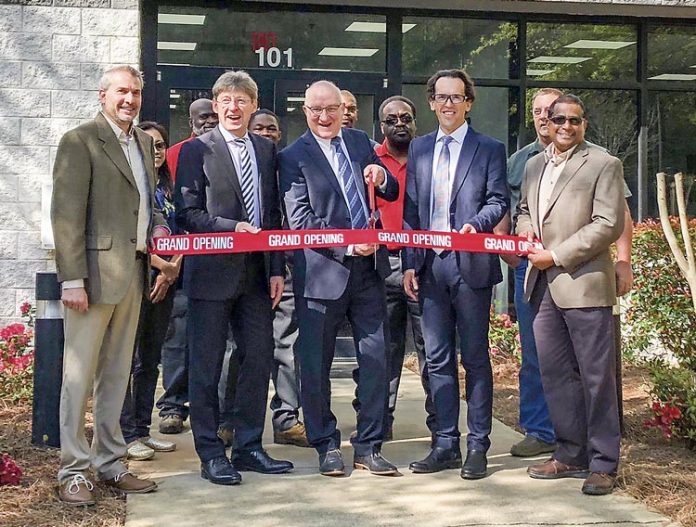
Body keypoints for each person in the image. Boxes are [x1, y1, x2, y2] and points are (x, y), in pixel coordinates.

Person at [52, 65, 167, 506]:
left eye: (135, 93)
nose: (130, 100)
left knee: (116, 376)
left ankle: (110, 462)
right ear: (103, 95)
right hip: (91, 280)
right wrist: (72, 280)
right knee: (78, 377)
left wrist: (157, 232)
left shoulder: (141, 142)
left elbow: (145, 206)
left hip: (133, 277)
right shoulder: (80, 141)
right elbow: (65, 217)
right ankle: (73, 470)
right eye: (122, 91)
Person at [500, 88, 635, 458]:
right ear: (544, 121)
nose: (564, 126)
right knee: (554, 374)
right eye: (557, 119)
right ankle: (569, 453)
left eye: (573, 120)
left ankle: (603, 462)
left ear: (583, 124)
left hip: (584, 284)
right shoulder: (531, 165)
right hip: (540, 285)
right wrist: (525, 231)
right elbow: (525, 209)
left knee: (595, 378)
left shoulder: (603, 163)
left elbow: (608, 222)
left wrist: (556, 255)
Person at [175, 70, 293, 486]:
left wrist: (277, 267)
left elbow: (275, 214)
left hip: (258, 275)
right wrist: (231, 227)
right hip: (211, 274)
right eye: (227, 100)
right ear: (216, 104)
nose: (234, 107)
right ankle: (210, 452)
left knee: (257, 360)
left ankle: (248, 447)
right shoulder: (196, 150)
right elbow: (185, 214)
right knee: (206, 366)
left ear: (253, 105)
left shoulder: (266, 149)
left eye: (242, 100)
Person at [279, 80, 399, 477]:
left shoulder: (361, 141)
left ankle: (369, 445)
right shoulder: (293, 157)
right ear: (306, 112)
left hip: (369, 274)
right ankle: (326, 444)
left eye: (332, 109)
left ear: (343, 109)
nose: (325, 117)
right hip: (321, 275)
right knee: (315, 365)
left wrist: (381, 178)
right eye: (316, 110)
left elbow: (391, 186)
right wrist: (349, 246)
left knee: (376, 359)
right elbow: (300, 221)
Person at [403, 69, 508, 480]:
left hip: (471, 262)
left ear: (468, 103)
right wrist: (410, 260)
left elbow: (499, 199)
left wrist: (476, 226)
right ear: (431, 102)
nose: (448, 104)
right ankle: (445, 442)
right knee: (437, 358)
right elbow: (412, 211)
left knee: (476, 358)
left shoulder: (489, 148)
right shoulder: (420, 148)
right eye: (441, 97)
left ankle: (477, 444)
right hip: (430, 265)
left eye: (457, 97)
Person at [372, 95, 434, 439]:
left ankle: (439, 424)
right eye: (391, 119)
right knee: (384, 349)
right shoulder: (370, 158)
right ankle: (380, 421)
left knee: (431, 349)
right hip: (382, 264)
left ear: (415, 122)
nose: (399, 124)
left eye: (405, 118)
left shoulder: (429, 156)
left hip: (423, 263)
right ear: (381, 126)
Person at [247, 108, 309, 447]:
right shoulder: (236, 160)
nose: (266, 133)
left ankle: (286, 418)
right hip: (243, 269)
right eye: (260, 127)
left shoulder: (287, 163)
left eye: (272, 128)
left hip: (284, 267)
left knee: (286, 345)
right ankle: (229, 420)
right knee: (237, 350)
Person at [157, 98, 218, 436]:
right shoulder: (175, 154)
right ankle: (171, 407)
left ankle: (210, 411)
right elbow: (170, 209)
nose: (209, 121)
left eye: (213, 115)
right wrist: (174, 258)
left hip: (219, 260)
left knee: (213, 343)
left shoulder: (227, 151)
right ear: (190, 121)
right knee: (177, 339)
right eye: (202, 117)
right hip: (178, 262)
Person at [119, 122, 180, 461]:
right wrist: (159, 264)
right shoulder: (132, 184)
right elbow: (129, 233)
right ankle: (126, 432)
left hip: (166, 282)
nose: (156, 151)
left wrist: (172, 269)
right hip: (136, 278)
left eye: (161, 145)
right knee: (127, 359)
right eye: (150, 144)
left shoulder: (169, 187)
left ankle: (143, 428)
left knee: (151, 359)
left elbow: (182, 230)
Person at [166, 98, 218, 181]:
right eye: (204, 117)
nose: (211, 121)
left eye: (215, 116)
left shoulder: (229, 147)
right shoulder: (174, 152)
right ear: (191, 122)